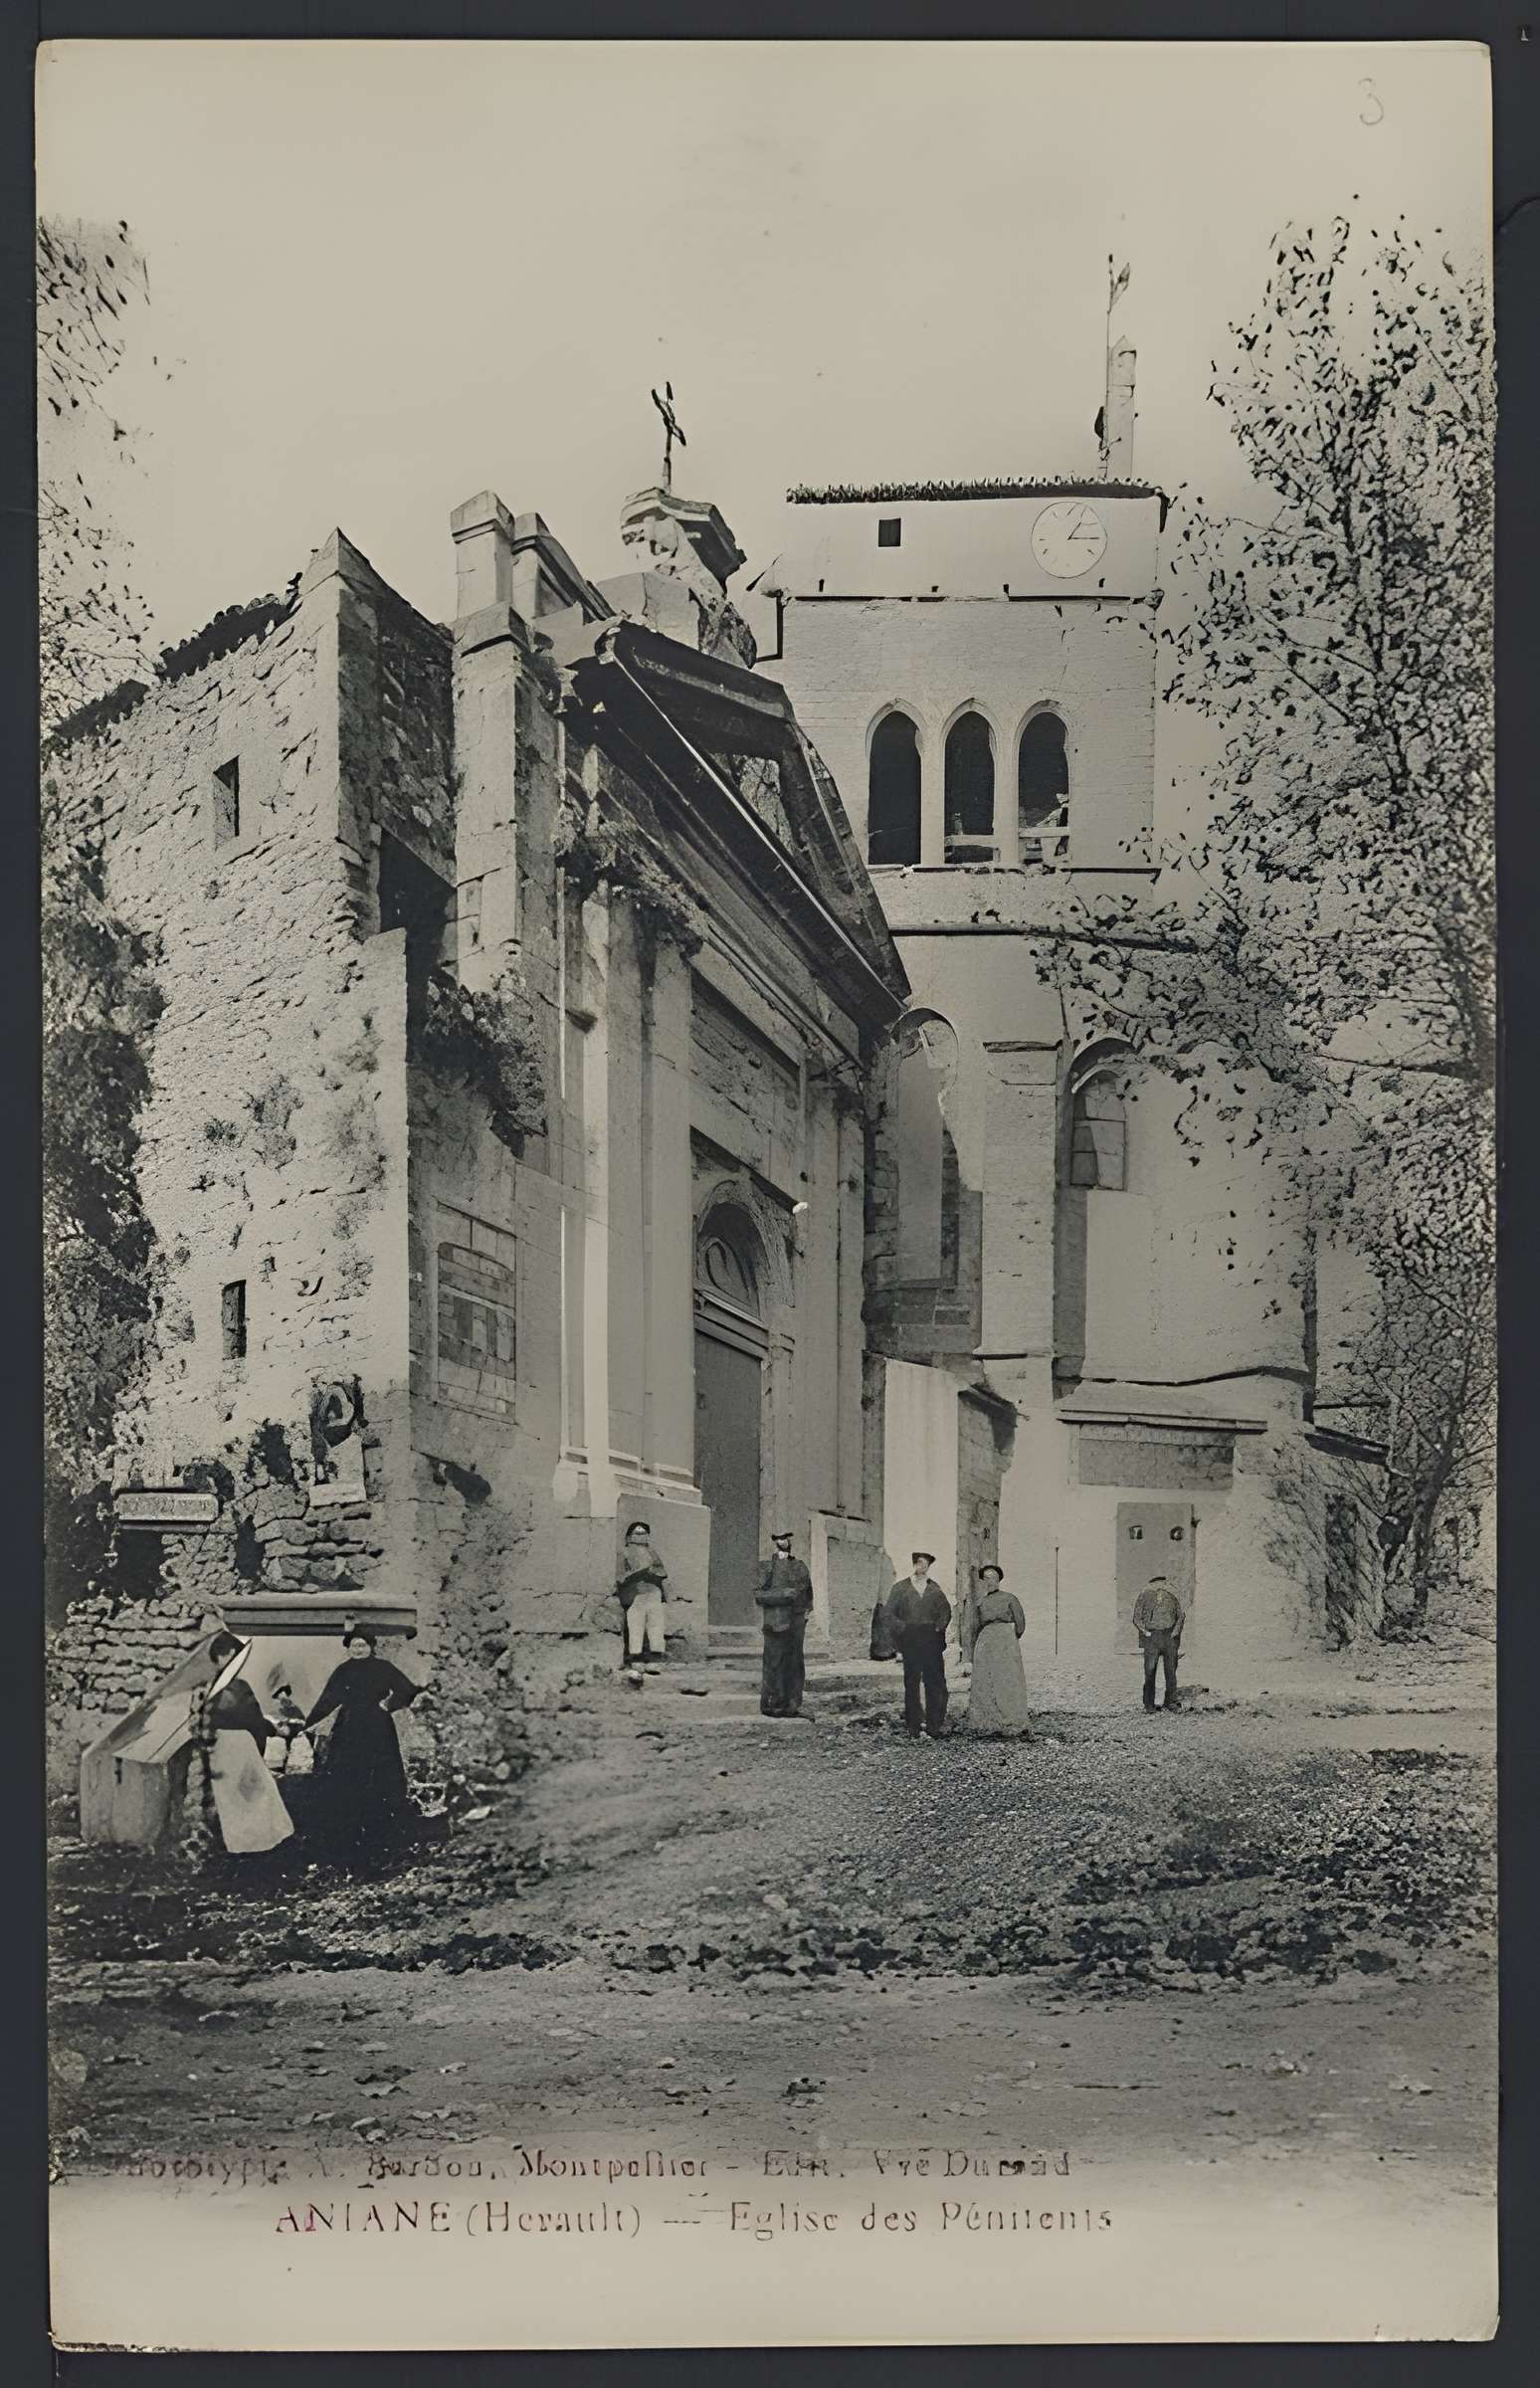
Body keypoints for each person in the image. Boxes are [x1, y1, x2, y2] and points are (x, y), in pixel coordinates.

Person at [304, 1621, 422, 1865]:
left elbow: (408, 1689)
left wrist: (388, 1705)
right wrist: (308, 1723)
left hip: (378, 1727)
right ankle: (350, 1829)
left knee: (381, 1773)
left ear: (371, 1647)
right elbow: (327, 1700)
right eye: (354, 1646)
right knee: (348, 1776)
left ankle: (384, 1827)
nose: (358, 1650)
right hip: (349, 1727)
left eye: (363, 1645)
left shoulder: (384, 1668)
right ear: (349, 1648)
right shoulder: (343, 1671)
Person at [190, 1631, 295, 1858]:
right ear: (221, 1657)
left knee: (253, 1791)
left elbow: (253, 1718)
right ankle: (242, 1845)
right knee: (237, 1795)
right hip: (225, 1745)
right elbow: (245, 1718)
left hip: (239, 1744)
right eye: (230, 1657)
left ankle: (255, 1844)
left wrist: (261, 1737)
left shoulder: (237, 1686)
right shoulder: (216, 1688)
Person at [883, 1552, 952, 1741]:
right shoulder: (900, 1588)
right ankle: (914, 1724)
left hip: (931, 1639)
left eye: (926, 1564)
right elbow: (888, 1614)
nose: (923, 1566)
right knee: (912, 1682)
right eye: (920, 1563)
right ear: (914, 1564)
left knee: (935, 1681)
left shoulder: (934, 1589)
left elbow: (945, 1611)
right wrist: (904, 1629)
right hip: (911, 1639)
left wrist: (938, 1628)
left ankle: (934, 1725)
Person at [964, 1564, 1033, 1738]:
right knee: (986, 1680)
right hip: (986, 1641)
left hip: (1004, 1640)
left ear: (999, 1579)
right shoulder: (981, 1603)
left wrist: (1009, 1639)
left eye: (993, 1577)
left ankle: (1013, 1722)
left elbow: (1020, 1624)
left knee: (1007, 1678)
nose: (990, 1581)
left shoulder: (1010, 1598)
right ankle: (988, 1723)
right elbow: (976, 1625)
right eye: (986, 1578)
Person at [755, 1528, 814, 1717]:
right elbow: (759, 1595)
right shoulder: (766, 1567)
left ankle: (792, 1705)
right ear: (774, 1541)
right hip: (775, 1620)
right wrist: (783, 1595)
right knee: (774, 1662)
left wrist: (805, 1612)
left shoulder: (800, 1566)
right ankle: (773, 1705)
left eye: (786, 1537)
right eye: (779, 1538)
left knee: (795, 1663)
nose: (784, 1541)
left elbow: (808, 1593)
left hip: (796, 1621)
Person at [616, 1521, 670, 1677]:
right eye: (637, 1534)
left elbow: (662, 1571)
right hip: (635, 1594)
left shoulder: (652, 1552)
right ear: (629, 1537)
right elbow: (621, 1576)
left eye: (643, 1533)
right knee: (636, 1625)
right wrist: (638, 1573)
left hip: (653, 1593)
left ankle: (655, 1659)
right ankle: (636, 1658)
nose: (641, 1537)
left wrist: (653, 1573)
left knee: (656, 1625)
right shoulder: (624, 1553)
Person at [1132, 1573, 1185, 1712]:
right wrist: (1146, 1632)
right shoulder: (1144, 1596)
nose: (1162, 1587)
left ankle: (1171, 1702)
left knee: (1171, 1671)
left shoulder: (1172, 1598)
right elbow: (1136, 1618)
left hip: (1169, 1637)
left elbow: (1180, 1616)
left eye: (1163, 1584)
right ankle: (1149, 1705)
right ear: (1153, 1584)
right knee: (1150, 1671)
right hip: (1152, 1637)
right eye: (1158, 1584)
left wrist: (1175, 1632)